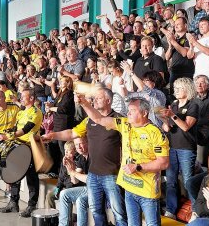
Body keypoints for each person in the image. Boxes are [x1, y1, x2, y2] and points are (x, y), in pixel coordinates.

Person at [75, 93, 169, 226]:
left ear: (144, 113)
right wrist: (84, 103)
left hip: (147, 192)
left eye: (132, 110)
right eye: (128, 110)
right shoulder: (125, 124)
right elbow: (99, 119)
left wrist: (138, 167)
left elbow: (163, 163)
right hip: (129, 188)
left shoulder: (156, 133)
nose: (128, 113)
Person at [42, 88, 127, 226]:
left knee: (119, 214)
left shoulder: (118, 119)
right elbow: (72, 133)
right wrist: (52, 135)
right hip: (93, 175)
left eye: (98, 98)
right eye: (94, 98)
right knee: (96, 211)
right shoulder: (88, 121)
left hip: (112, 174)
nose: (95, 100)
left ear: (108, 101)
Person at [0, 88, 42, 217]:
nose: (21, 99)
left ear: (32, 98)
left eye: (23, 96)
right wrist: (5, 132)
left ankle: (32, 206)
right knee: (14, 174)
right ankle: (13, 203)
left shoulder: (36, 112)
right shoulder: (21, 112)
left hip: (30, 147)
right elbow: (15, 128)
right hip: (17, 146)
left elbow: (25, 130)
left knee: (31, 177)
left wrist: (9, 136)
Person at [161, 77, 199, 220]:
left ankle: (195, 210)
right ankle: (171, 210)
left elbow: (186, 126)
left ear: (187, 89)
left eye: (178, 88)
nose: (175, 91)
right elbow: (168, 129)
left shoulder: (193, 105)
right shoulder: (174, 104)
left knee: (188, 181)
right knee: (171, 181)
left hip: (186, 148)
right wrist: (165, 119)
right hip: (172, 147)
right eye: (175, 88)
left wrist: (173, 115)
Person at [58, 136, 90, 226]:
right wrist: (70, 167)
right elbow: (74, 181)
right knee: (63, 193)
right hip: (87, 188)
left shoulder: (91, 156)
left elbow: (90, 180)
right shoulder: (82, 158)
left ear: (88, 142)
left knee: (79, 200)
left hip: (96, 188)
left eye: (81, 143)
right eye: (76, 145)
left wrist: (73, 172)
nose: (78, 147)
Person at [187, 17, 209, 95]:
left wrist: (194, 42)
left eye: (203, 24)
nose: (201, 27)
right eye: (199, 25)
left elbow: (208, 51)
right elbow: (189, 56)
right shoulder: (198, 41)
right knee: (198, 103)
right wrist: (191, 47)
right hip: (198, 76)